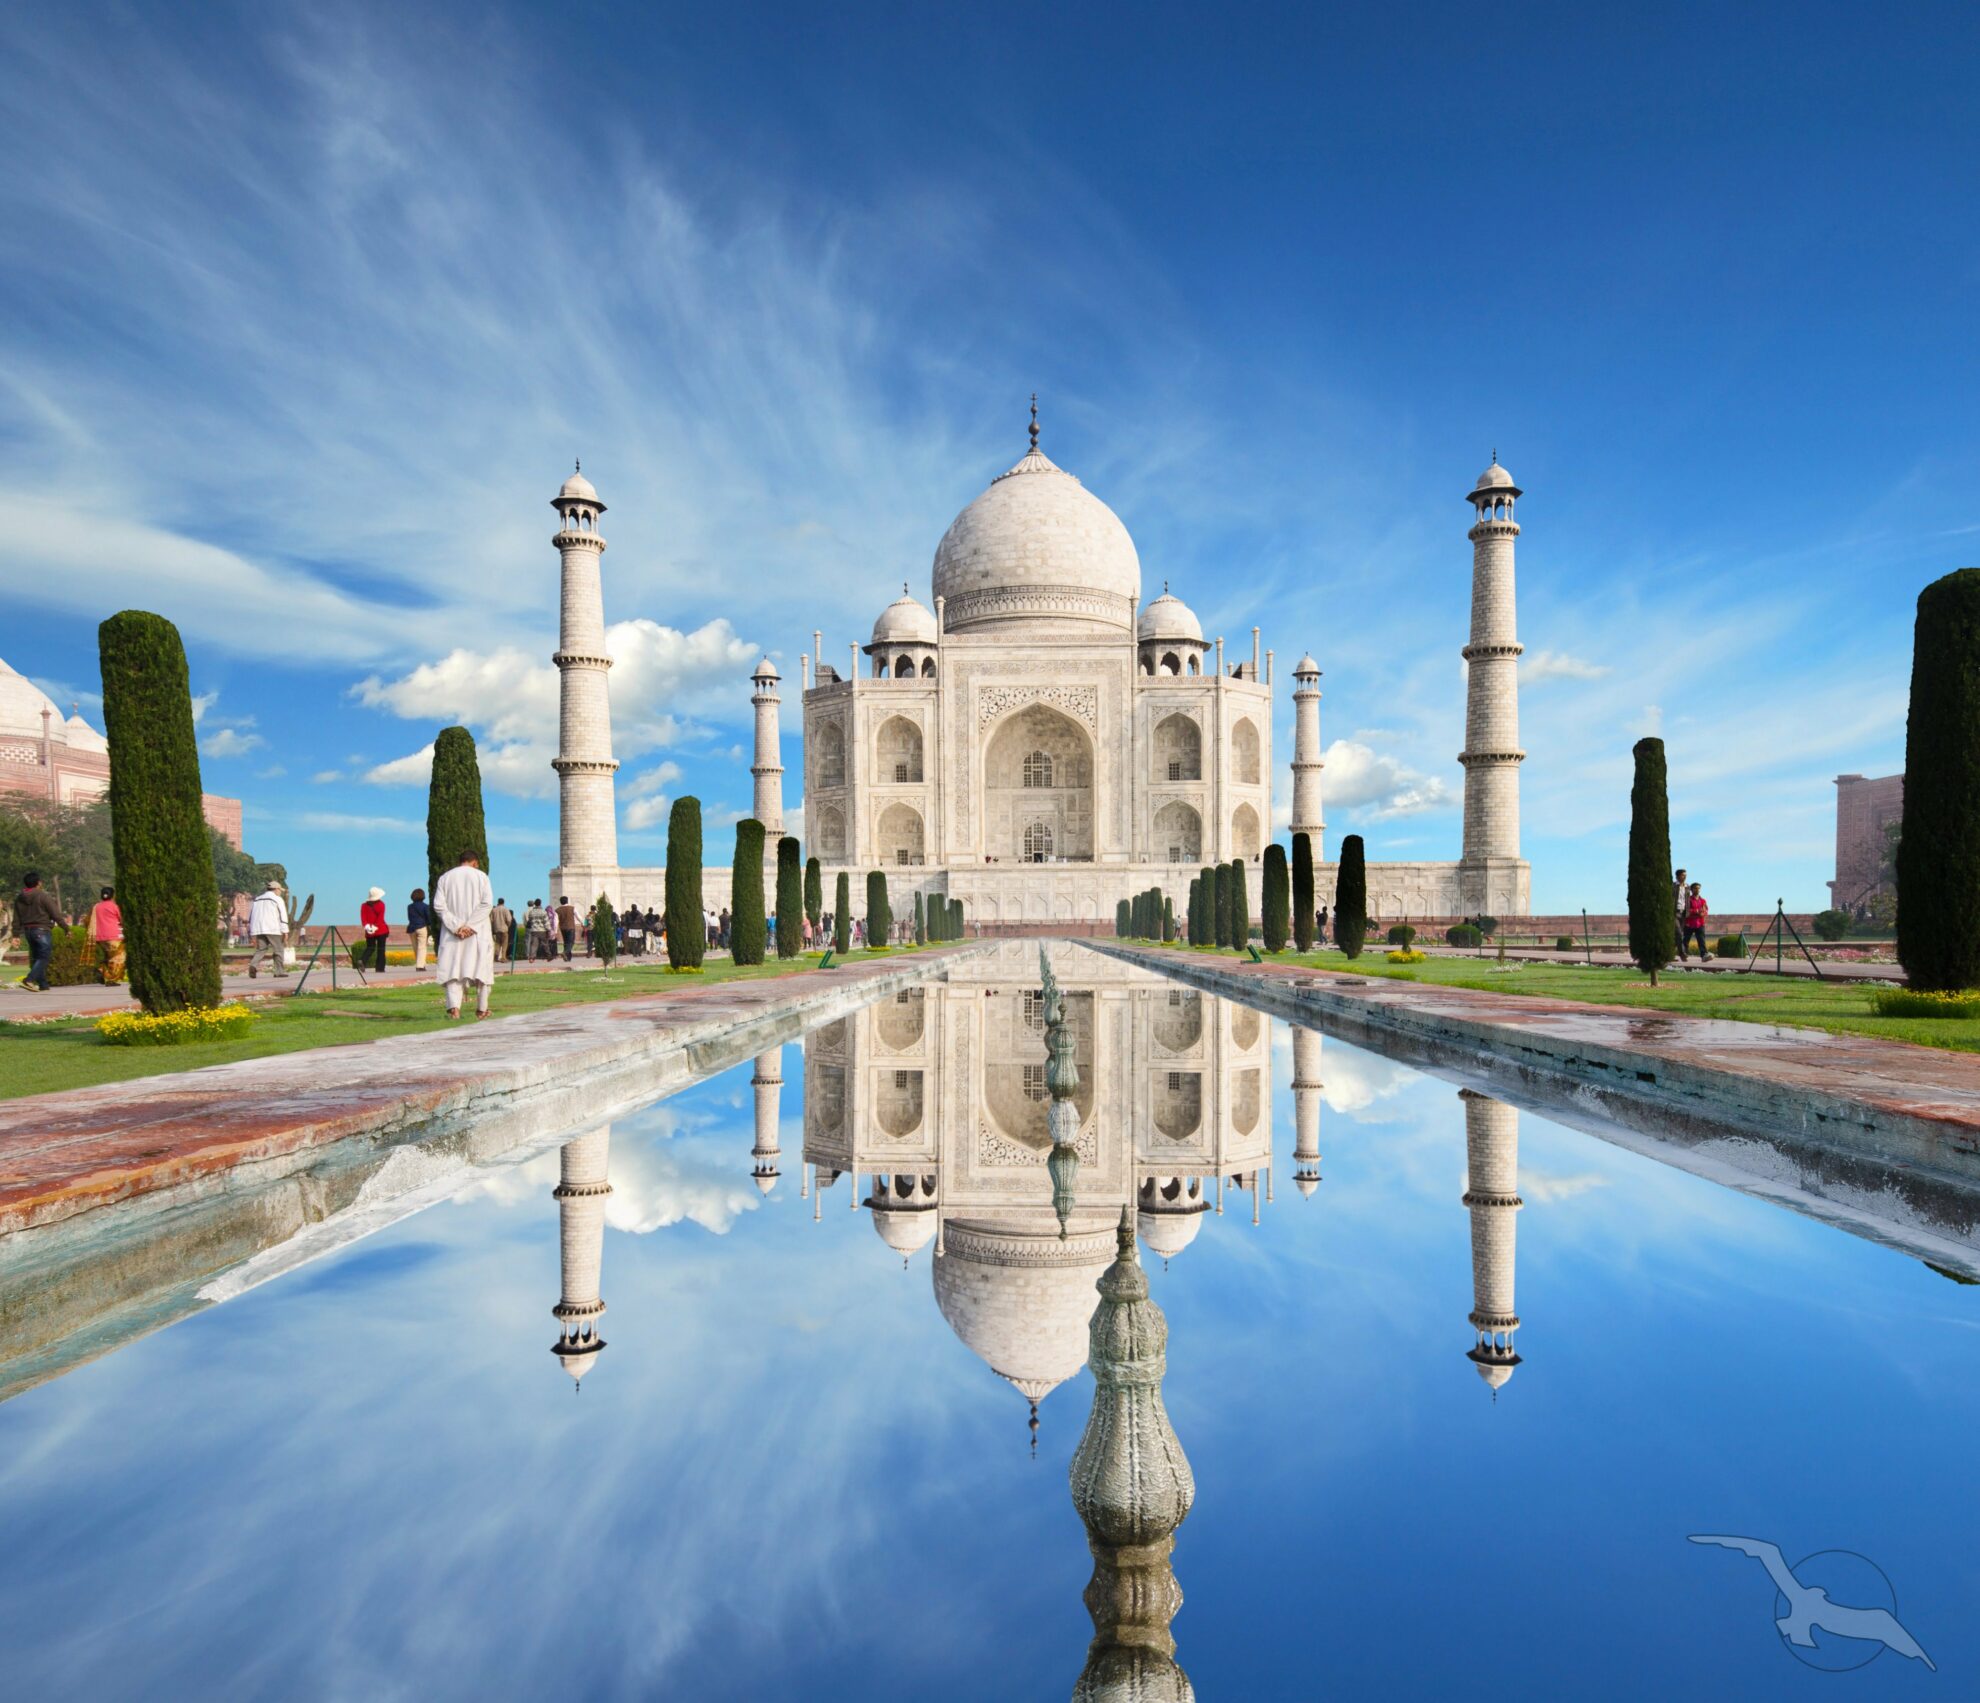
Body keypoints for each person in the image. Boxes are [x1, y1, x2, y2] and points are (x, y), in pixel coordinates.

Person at [434, 851, 496, 1019]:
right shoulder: (481, 876)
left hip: (453, 933)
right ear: (475, 862)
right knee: (482, 970)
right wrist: (471, 926)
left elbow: (439, 906)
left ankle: (454, 1008)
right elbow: (487, 904)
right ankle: (482, 1009)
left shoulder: (445, 878)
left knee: (453, 970)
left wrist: (456, 926)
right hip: (477, 932)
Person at [12, 872, 62, 993]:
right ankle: (29, 980)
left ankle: (43, 984)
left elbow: (16, 918)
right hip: (42, 930)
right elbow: (55, 914)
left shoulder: (19, 898)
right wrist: (66, 928)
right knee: (44, 956)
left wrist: (16, 934)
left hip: (28, 931)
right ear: (38, 883)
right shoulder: (43, 896)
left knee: (37, 957)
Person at [247, 878, 290, 979]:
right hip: (273, 928)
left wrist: (252, 931)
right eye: (280, 890)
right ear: (276, 889)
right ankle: (279, 971)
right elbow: (283, 915)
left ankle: (253, 965)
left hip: (259, 928)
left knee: (261, 949)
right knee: (278, 949)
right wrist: (285, 931)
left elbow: (251, 915)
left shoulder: (257, 899)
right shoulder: (277, 899)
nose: (280, 892)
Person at [88, 886, 126, 985]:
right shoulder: (114, 906)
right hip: (113, 937)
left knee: (109, 956)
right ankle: (111, 979)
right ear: (112, 895)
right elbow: (121, 920)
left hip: (100, 937)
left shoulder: (96, 907)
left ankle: (101, 970)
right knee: (119, 957)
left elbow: (87, 921)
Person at [360, 886, 390, 973]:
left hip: (369, 930)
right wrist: (374, 927)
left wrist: (368, 927)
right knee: (381, 949)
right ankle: (379, 968)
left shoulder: (363, 906)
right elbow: (380, 919)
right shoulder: (381, 904)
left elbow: (363, 919)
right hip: (380, 930)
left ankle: (363, 960)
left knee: (370, 947)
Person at [1682, 882, 1712, 963]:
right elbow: (1687, 911)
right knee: (1686, 940)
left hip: (1700, 923)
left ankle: (1704, 955)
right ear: (1691, 890)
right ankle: (1683, 954)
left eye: (1698, 888)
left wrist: (1702, 913)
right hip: (1689, 923)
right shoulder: (1688, 900)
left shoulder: (1703, 900)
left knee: (1701, 940)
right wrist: (1697, 911)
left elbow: (1705, 910)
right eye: (1695, 888)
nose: (1697, 890)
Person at [407, 888, 432, 972]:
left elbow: (409, 918)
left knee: (415, 947)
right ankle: (420, 966)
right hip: (421, 927)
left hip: (412, 928)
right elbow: (428, 918)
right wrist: (430, 926)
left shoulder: (409, 907)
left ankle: (421, 964)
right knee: (422, 947)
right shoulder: (425, 906)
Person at [489, 896, 514, 963]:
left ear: (498, 902)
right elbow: (509, 919)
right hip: (504, 929)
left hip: (496, 929)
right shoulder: (505, 909)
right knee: (504, 944)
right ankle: (503, 957)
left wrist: (493, 928)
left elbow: (491, 920)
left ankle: (496, 957)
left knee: (497, 943)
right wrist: (508, 926)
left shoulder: (494, 910)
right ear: (503, 902)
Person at [1672, 868, 1688, 959]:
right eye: (1683, 875)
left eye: (1685, 875)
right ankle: (1682, 953)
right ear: (1677, 876)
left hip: (1684, 913)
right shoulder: (1673, 886)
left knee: (1678, 935)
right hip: (1675, 912)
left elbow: (1687, 900)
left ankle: (1669, 953)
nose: (1684, 877)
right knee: (1678, 933)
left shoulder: (1687, 887)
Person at [556, 895, 578, 963]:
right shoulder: (572, 908)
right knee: (571, 942)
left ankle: (568, 958)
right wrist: (583, 923)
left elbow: (556, 920)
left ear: (560, 902)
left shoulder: (557, 910)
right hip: (571, 927)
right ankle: (565, 952)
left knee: (566, 942)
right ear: (567, 901)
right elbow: (578, 916)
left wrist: (556, 929)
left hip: (562, 928)